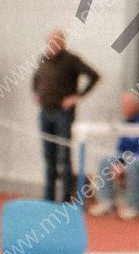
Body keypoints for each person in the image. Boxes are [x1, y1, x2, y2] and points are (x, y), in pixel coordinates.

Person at [32, 29, 100, 203]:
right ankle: (49, 196)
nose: (52, 45)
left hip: (63, 114)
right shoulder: (44, 59)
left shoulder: (71, 60)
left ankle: (65, 197)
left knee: (64, 155)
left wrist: (77, 96)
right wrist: (36, 92)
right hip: (45, 112)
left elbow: (94, 76)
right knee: (49, 156)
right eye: (50, 41)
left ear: (62, 42)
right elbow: (36, 78)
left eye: (56, 41)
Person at [90, 91, 139, 220]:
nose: (123, 108)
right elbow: (121, 149)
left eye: (126, 105)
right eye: (122, 105)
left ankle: (134, 207)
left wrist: (124, 166)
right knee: (105, 162)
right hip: (133, 163)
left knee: (134, 166)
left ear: (135, 106)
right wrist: (117, 164)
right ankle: (106, 202)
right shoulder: (127, 122)